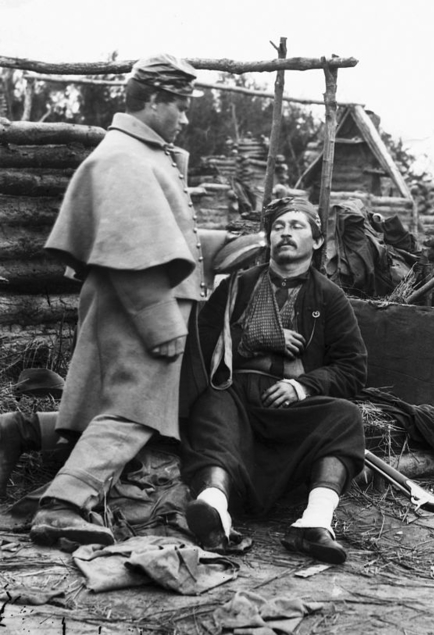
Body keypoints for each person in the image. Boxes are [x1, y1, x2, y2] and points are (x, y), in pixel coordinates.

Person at [28, 54, 231, 546]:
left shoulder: (137, 152)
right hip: (139, 307)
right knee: (131, 411)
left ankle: (27, 438)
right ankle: (63, 506)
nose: (184, 116)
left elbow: (151, 233)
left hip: (132, 304)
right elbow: (128, 252)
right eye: (180, 105)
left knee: (112, 404)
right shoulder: (123, 157)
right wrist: (161, 322)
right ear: (155, 100)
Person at [180, 196, 367, 564]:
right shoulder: (238, 287)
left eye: (296, 227)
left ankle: (314, 523)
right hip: (235, 396)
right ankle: (215, 508)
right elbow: (200, 344)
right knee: (211, 405)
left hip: (290, 411)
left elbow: (353, 367)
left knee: (345, 416)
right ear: (269, 238)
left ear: (315, 242)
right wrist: (253, 337)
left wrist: (303, 386)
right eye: (278, 227)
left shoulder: (329, 297)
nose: (285, 233)